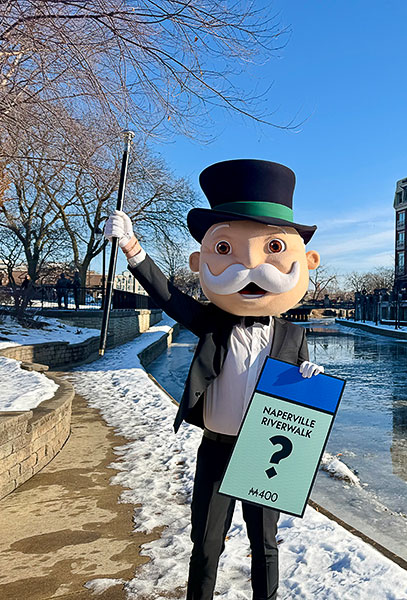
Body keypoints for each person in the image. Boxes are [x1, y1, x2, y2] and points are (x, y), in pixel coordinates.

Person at [104, 159, 324, 600]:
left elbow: (298, 406)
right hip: (217, 450)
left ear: (308, 262)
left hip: (265, 454)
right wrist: (132, 248)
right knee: (205, 543)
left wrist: (309, 380)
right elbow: (168, 297)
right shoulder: (211, 321)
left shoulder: (294, 335)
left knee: (265, 545)